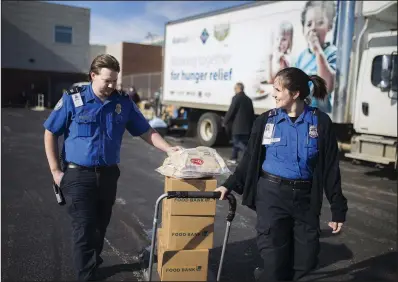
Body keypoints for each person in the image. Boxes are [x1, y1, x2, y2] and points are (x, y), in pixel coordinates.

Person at [43, 54, 180, 281]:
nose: (111, 86)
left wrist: (168, 149)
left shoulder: (122, 102)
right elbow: (50, 132)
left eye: (114, 81)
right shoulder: (73, 99)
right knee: (84, 230)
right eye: (106, 80)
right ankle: (86, 275)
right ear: (93, 76)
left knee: (100, 226)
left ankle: (92, 263)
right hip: (78, 175)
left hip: (108, 175)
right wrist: (55, 171)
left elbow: (145, 130)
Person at [215, 67, 348, 281]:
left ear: (295, 94)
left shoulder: (320, 122)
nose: (273, 94)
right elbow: (249, 158)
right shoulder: (266, 121)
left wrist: (337, 207)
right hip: (272, 196)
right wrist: (228, 184)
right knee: (275, 262)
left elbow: (331, 166)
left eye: (278, 89)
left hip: (305, 200)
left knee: (305, 262)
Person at [295, 1, 337, 113]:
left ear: (329, 26)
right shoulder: (301, 57)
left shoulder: (332, 53)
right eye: (309, 24)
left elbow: (327, 87)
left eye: (320, 22)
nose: (313, 28)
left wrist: (318, 51)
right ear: (303, 30)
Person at [223, 82, 255, 165]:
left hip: (238, 126)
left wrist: (225, 121)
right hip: (247, 127)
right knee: (238, 142)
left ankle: (249, 156)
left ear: (238, 89)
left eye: (235, 89)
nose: (234, 90)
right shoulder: (248, 99)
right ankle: (234, 158)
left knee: (237, 142)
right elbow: (252, 114)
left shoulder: (236, 98)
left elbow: (231, 110)